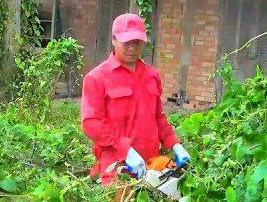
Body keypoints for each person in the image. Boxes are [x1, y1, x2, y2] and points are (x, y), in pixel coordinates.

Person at [80, 13, 189, 185]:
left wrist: (174, 144)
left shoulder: (151, 75)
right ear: (114, 40)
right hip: (118, 165)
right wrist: (126, 150)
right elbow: (91, 123)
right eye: (126, 42)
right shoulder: (97, 78)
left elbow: (158, 117)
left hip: (152, 163)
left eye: (137, 42)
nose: (132, 48)